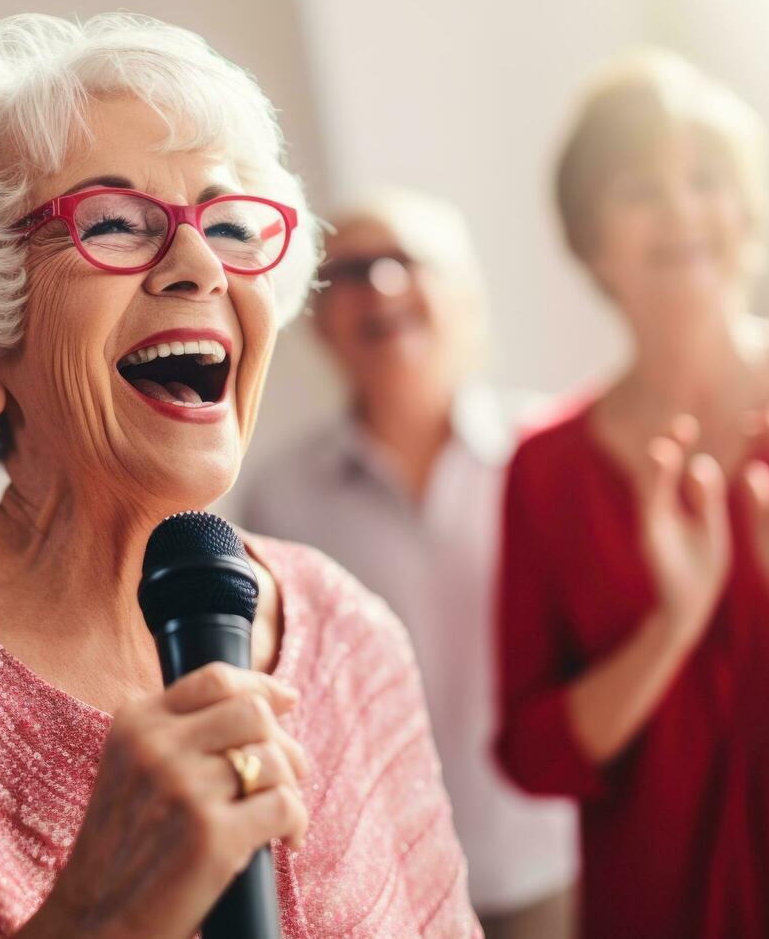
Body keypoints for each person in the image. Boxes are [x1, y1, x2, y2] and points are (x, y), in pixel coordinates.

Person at [0, 13, 480, 938]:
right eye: (112, 223)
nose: (198, 265)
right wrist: (98, 917)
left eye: (228, 223)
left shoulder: (349, 631)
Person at [495, 50, 769, 938]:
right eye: (641, 188)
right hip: (660, 911)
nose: (683, 210)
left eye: (707, 180)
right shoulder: (544, 467)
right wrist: (671, 625)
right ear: (590, 236)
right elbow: (533, 753)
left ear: (750, 212)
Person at [241, 188, 577, 939]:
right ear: (320, 321)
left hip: (558, 867)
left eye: (406, 262)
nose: (382, 287)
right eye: (354, 270)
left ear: (464, 295)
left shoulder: (552, 455)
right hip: (388, 889)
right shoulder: (280, 499)